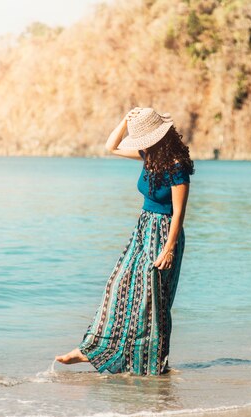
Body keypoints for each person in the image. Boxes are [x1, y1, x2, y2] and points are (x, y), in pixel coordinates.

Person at [54, 107, 195, 375]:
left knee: (154, 299)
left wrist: (169, 249)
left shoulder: (177, 166)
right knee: (118, 285)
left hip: (165, 233)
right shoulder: (148, 155)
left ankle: (153, 363)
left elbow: (179, 212)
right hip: (143, 229)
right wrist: (125, 120)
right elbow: (111, 146)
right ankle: (92, 350)